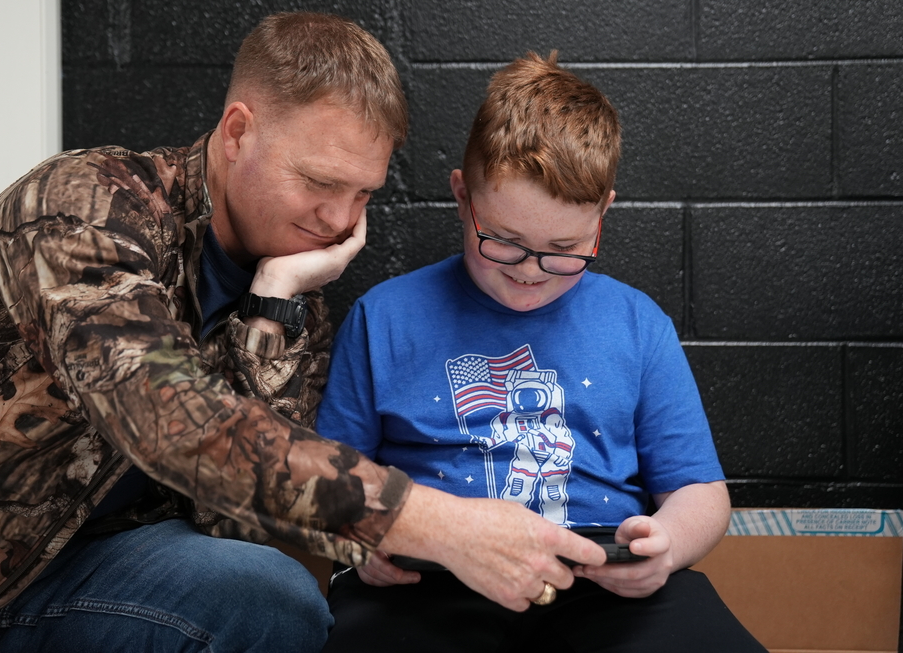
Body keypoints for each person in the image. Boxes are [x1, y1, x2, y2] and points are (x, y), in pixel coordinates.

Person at [0, 14, 605, 653]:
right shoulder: (89, 204)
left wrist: (276, 306)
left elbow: (246, 523)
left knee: (273, 597)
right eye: (320, 182)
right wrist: (436, 524)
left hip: (87, 571)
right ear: (238, 133)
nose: (339, 219)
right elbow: (167, 419)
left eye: (362, 194)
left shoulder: (292, 277)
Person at [316, 51, 768, 652]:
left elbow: (700, 493)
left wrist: (667, 547)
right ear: (461, 196)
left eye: (563, 248)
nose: (531, 271)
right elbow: (326, 479)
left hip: (598, 584)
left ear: (603, 213)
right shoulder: (385, 317)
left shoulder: (638, 324)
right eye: (503, 241)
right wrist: (356, 539)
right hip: (428, 580)